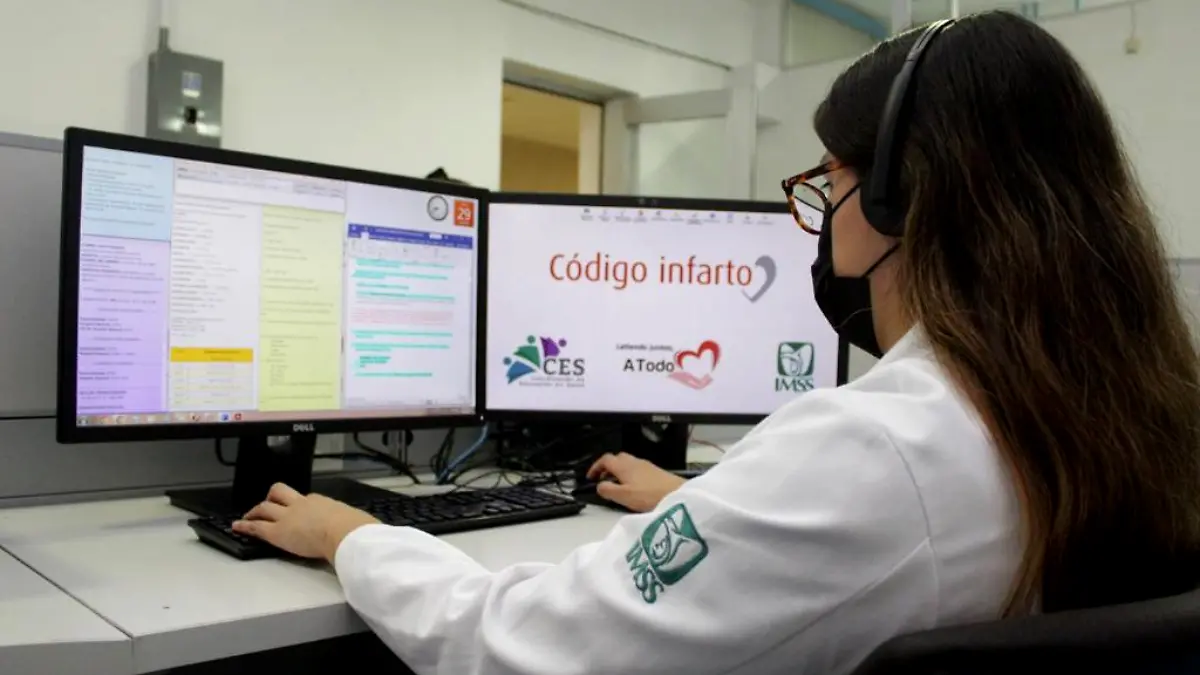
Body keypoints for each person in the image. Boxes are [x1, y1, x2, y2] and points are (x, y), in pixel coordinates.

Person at [232, 11, 1200, 674]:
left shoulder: (877, 449)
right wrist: (709, 504)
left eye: (827, 184)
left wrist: (354, 537)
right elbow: (898, 541)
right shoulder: (1128, 407)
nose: (821, 219)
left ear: (902, 196)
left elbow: (517, 648)